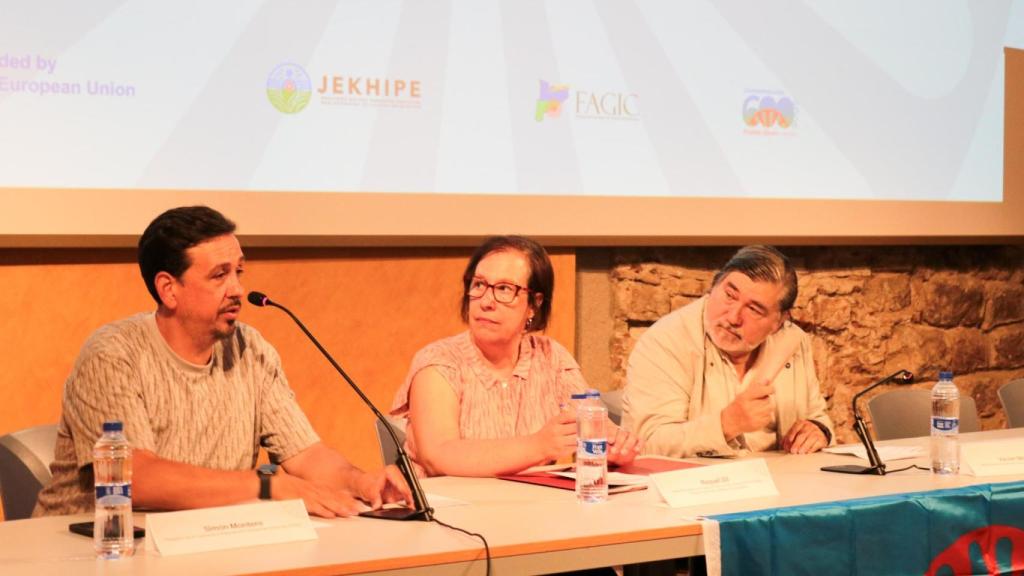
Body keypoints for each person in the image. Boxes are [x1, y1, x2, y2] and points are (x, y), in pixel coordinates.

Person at [34, 206, 410, 518]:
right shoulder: (113, 354)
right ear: (169, 289)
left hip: (202, 543)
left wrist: (359, 481)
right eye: (219, 275)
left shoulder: (251, 349)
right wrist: (266, 486)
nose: (237, 289)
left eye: (238, 272)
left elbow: (305, 454)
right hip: (90, 549)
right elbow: (133, 478)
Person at [390, 235, 641, 477]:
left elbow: (594, 427)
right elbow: (438, 456)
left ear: (534, 303)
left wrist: (614, 446)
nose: (487, 301)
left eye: (504, 289)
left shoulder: (551, 357)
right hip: (449, 512)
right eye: (478, 285)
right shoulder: (439, 362)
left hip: (530, 510)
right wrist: (538, 446)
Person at [623, 245, 834, 458]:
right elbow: (648, 443)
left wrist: (818, 430)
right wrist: (727, 424)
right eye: (730, 295)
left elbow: (818, 417)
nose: (733, 317)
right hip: (697, 486)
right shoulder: (666, 340)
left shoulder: (793, 341)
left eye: (754, 309)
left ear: (779, 322)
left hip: (784, 482)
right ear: (713, 287)